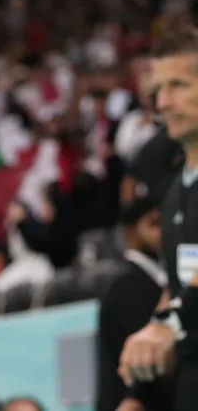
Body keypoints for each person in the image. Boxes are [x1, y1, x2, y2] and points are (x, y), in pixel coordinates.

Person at [119, 29, 198, 411]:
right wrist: (137, 394)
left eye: (179, 85)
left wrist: (170, 326)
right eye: (158, 90)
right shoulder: (173, 193)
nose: (164, 102)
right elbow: (179, 286)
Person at [97, 198, 173, 411]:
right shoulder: (127, 287)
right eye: (154, 224)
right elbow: (142, 362)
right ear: (130, 233)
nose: (163, 232)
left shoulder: (154, 280)